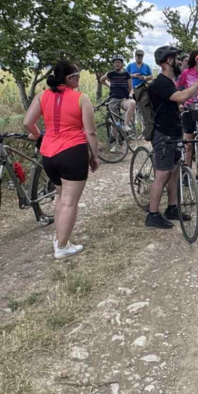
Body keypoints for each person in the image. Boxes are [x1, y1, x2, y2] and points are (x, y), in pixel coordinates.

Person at [23, 60, 100, 259]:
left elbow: (27, 122)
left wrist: (37, 134)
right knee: (69, 202)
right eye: (77, 75)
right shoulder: (81, 98)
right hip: (72, 152)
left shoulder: (42, 96)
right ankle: (62, 247)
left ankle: (59, 239)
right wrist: (95, 156)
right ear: (69, 78)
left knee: (61, 196)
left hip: (48, 154)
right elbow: (90, 132)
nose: (79, 79)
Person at [146, 46, 198, 229]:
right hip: (163, 134)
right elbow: (181, 96)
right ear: (168, 61)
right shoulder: (161, 82)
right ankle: (153, 215)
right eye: (176, 59)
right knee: (162, 174)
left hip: (174, 131)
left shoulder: (169, 81)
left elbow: (173, 103)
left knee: (175, 171)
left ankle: (172, 208)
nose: (180, 62)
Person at [100, 55, 136, 131]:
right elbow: (102, 80)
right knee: (115, 124)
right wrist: (109, 85)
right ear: (113, 64)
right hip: (113, 99)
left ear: (121, 63)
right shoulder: (111, 73)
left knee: (132, 103)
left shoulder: (126, 74)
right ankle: (116, 137)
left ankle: (125, 125)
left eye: (119, 62)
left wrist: (130, 96)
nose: (117, 64)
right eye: (115, 62)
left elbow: (131, 89)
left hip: (123, 99)